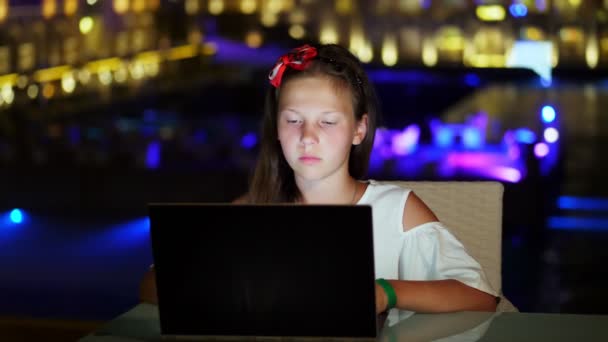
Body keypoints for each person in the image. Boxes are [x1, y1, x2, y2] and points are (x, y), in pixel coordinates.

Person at [140, 43, 498, 314]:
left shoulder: (395, 211)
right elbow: (152, 287)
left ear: (359, 129)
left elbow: (479, 295)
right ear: (276, 129)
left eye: (328, 121)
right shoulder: (252, 211)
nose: (308, 136)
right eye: (293, 120)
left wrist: (384, 292)